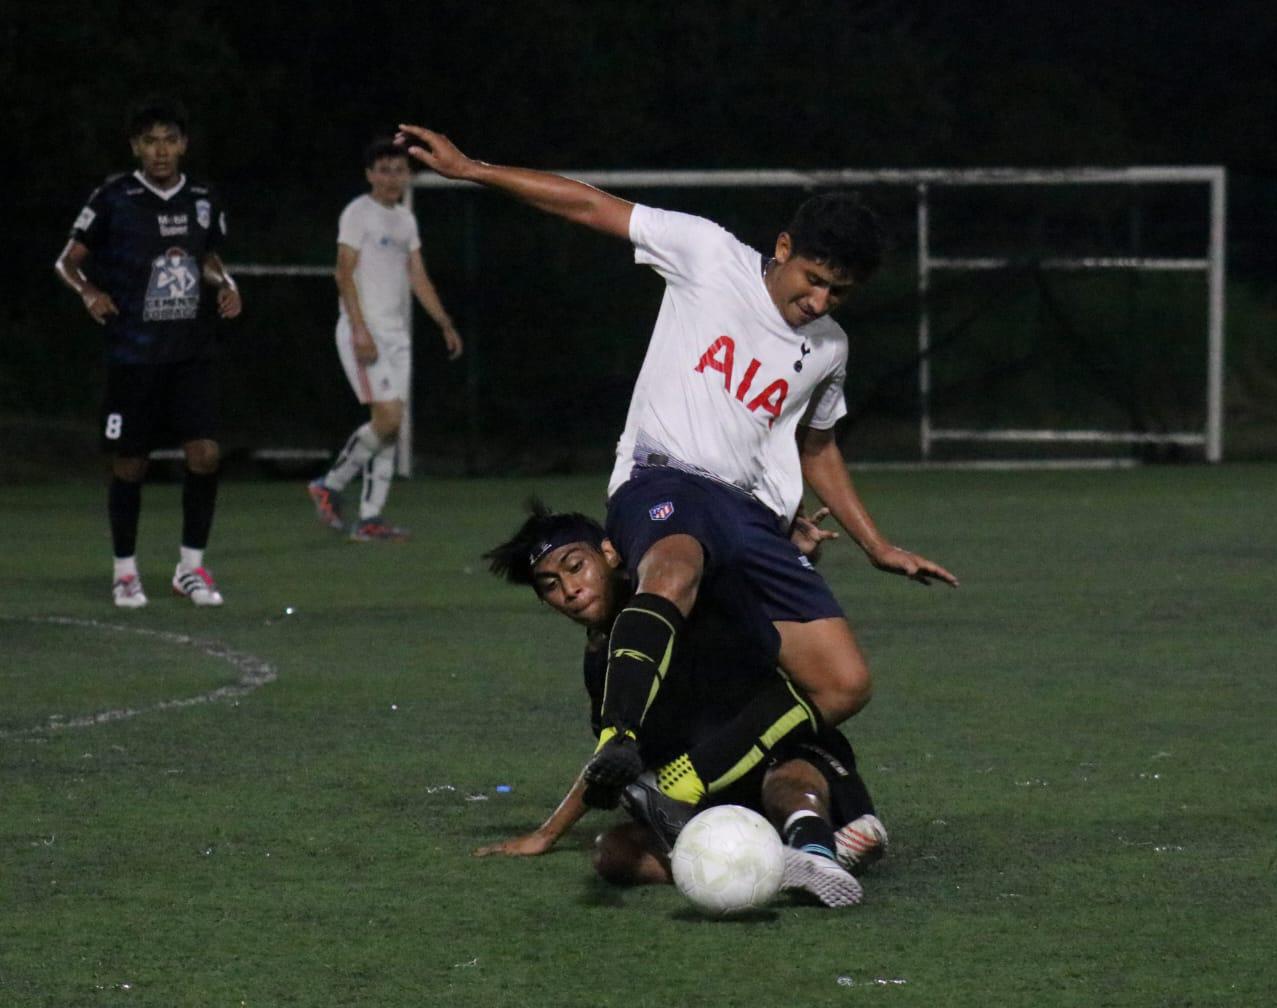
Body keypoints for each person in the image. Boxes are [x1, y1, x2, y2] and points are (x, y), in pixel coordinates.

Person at [397, 123, 958, 808]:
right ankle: (618, 736)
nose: (819, 302)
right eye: (813, 281)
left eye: (837, 294)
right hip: (665, 479)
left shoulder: (829, 347)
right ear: (783, 249)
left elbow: (818, 448)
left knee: (843, 684)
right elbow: (590, 205)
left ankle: (681, 783)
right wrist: (472, 169)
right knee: (674, 567)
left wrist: (878, 545)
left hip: (752, 521)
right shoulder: (710, 255)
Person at [478, 501, 889, 907]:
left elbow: (743, 578)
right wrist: (547, 833)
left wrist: (788, 552)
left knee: (788, 780)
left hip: (783, 753)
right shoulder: (601, 661)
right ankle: (784, 864)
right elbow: (613, 756)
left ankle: (815, 847)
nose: (569, 590)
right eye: (550, 585)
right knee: (613, 854)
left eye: (574, 567)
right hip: (711, 792)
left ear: (609, 553)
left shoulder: (681, 590)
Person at [54, 97, 242, 609]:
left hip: (190, 351)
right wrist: (89, 292)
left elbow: (208, 257)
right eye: (150, 141)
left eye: (169, 140)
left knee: (204, 454)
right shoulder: (115, 196)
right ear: (136, 147)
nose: (160, 150)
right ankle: (125, 571)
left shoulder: (203, 197)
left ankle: (191, 567)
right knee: (130, 464)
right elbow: (67, 262)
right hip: (134, 353)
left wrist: (225, 283)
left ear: (183, 145)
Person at [307, 138, 463, 542]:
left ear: (407, 175)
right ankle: (330, 484)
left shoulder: (405, 221)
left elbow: (418, 275)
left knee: (391, 428)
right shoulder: (358, 213)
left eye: (398, 170)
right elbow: (343, 273)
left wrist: (443, 321)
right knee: (389, 418)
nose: (392, 177)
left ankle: (371, 518)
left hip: (397, 335)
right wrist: (359, 328)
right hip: (366, 331)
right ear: (369, 174)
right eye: (384, 169)